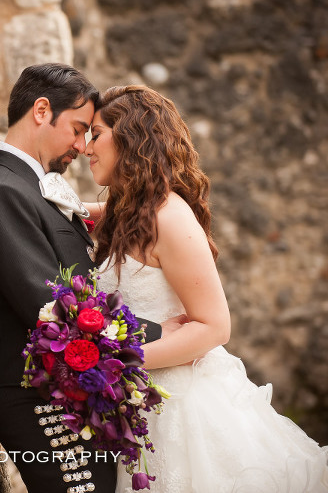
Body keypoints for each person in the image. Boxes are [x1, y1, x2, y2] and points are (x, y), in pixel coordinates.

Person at [84, 85, 328, 492]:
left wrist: (115, 364)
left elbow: (215, 327)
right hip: (145, 409)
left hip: (186, 411)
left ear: (130, 136)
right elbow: (78, 213)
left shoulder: (169, 217)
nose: (86, 147)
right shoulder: (128, 213)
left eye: (96, 133)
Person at [0, 64, 178, 493]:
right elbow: (52, 310)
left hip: (70, 396)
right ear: (42, 111)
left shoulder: (31, 188)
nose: (82, 146)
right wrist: (159, 332)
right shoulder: (4, 191)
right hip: (38, 403)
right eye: (78, 129)